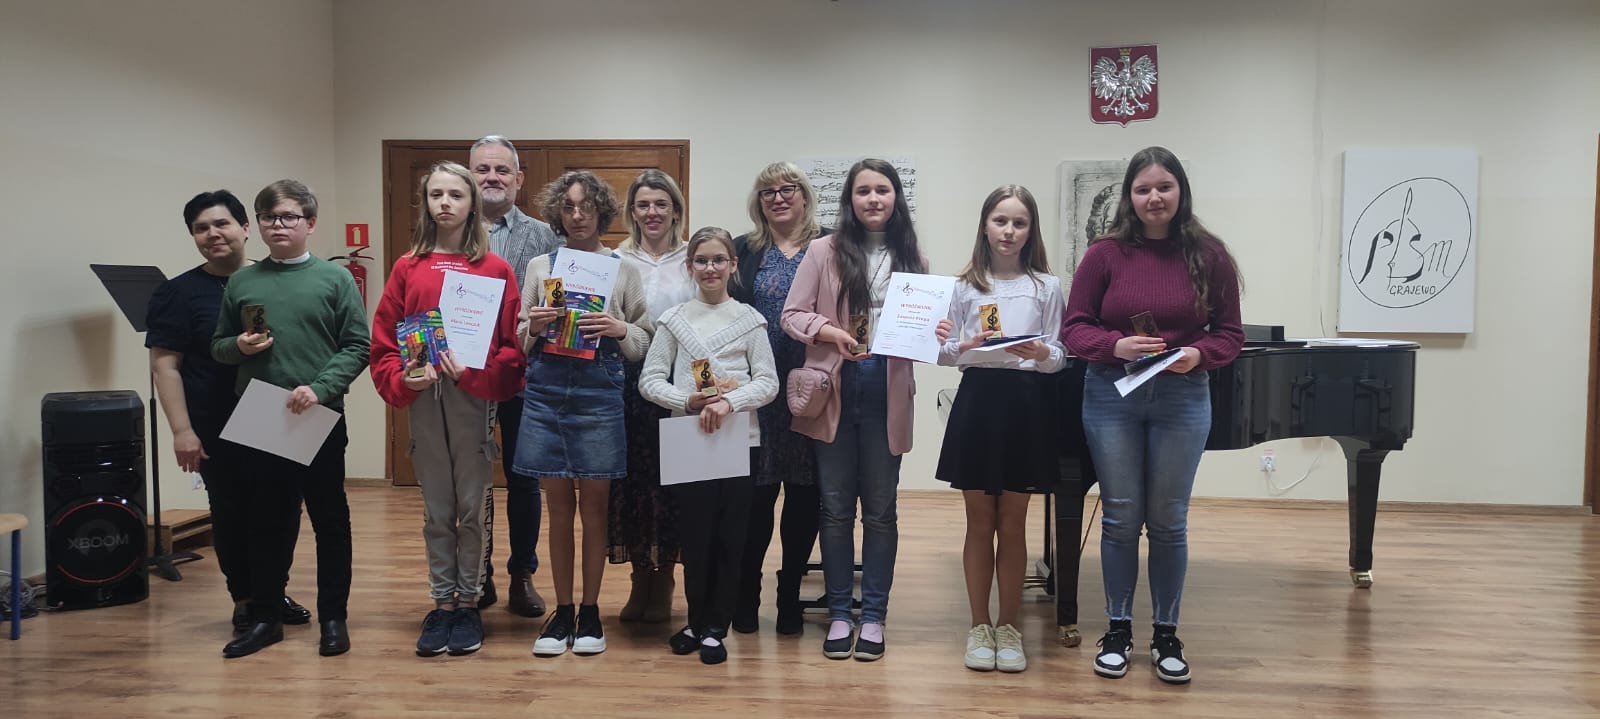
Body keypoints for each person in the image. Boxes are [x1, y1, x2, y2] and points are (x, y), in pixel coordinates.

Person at [1061, 146, 1244, 684]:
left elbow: (1230, 334)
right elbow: (1074, 328)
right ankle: (1117, 629)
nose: (1154, 197)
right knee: (1120, 517)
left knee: (1168, 521)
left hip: (1182, 397)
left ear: (1181, 191)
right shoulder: (1104, 254)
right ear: (1130, 197)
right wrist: (1114, 346)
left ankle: (1166, 634)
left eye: (1164, 187)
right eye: (1143, 189)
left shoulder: (1210, 255)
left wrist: (1199, 355)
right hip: (1111, 395)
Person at [781, 158, 943, 661]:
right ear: (849, 199)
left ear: (896, 198)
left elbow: (923, 330)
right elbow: (792, 315)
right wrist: (831, 332)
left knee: (880, 511)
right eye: (864, 190)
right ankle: (839, 613)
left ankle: (872, 616)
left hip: (886, 388)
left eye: (882, 190)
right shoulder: (823, 250)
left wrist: (936, 331)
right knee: (833, 509)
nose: (873, 199)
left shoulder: (912, 256)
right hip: (834, 385)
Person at [211, 180, 371, 658]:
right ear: (257, 225)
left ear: (310, 223)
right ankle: (266, 618)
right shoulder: (242, 282)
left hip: (319, 413)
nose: (278, 225)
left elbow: (357, 346)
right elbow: (218, 346)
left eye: (288, 217)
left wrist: (320, 388)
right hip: (261, 414)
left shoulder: (335, 279)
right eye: (268, 217)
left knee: (329, 519)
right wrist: (238, 347)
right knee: (265, 521)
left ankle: (333, 618)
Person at [370, 162, 524, 656]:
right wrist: (404, 377)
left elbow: (511, 351)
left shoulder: (494, 270)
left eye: (455, 194)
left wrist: (473, 374)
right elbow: (384, 343)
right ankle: (442, 603)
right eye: (436, 194)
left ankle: (470, 602)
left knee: (472, 507)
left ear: (472, 204)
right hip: (424, 398)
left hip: (472, 401)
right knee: (437, 509)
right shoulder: (407, 267)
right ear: (425, 203)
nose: (445, 203)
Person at [146, 190, 310, 636]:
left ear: (244, 228)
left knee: (283, 511)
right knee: (232, 513)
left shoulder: (276, 277)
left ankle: (272, 592)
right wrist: (182, 431)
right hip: (215, 420)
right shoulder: (178, 293)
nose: (212, 234)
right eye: (201, 228)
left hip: (277, 413)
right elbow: (165, 366)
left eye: (221, 224)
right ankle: (245, 598)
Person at [516, 170, 652, 657]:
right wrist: (534, 326)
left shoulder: (623, 269)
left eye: (587, 206)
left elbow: (644, 340)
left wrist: (619, 328)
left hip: (599, 392)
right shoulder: (539, 266)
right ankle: (562, 611)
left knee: (594, 510)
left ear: (602, 212)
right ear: (558, 213)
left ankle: (591, 611)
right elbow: (519, 339)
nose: (578, 216)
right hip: (547, 392)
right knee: (558, 511)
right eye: (569, 207)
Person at [934, 185, 1067, 673]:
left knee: (1013, 521)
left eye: (1019, 223)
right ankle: (979, 626)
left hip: (1026, 405)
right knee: (978, 521)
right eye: (1000, 221)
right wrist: (963, 344)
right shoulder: (963, 286)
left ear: (1031, 231)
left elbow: (1060, 356)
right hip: (978, 403)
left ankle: (1008, 627)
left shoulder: (1046, 286)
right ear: (985, 226)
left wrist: (1043, 352)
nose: (1009, 231)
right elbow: (944, 355)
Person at [639, 226, 779, 664]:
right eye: (702, 260)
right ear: (690, 267)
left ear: (733, 265)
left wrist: (729, 402)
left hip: (739, 440)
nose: (710, 268)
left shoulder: (750, 320)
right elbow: (650, 380)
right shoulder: (674, 320)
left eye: (719, 259)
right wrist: (687, 400)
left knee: (730, 534)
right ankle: (696, 621)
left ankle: (718, 626)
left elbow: (768, 382)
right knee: (695, 536)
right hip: (688, 439)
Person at [729, 162, 828, 635]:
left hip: (814, 388)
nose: (778, 197)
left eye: (788, 189)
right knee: (755, 499)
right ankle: (746, 593)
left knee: (805, 498)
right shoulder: (743, 249)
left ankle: (790, 594)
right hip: (758, 391)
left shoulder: (828, 246)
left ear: (804, 195)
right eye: (768, 192)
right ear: (758, 202)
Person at [469, 135, 560, 617]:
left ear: (518, 179)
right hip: (464, 376)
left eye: (502, 170)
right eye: (482, 169)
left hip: (528, 376)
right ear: (469, 176)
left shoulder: (546, 237)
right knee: (471, 479)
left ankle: (521, 574)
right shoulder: (448, 232)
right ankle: (475, 573)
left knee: (524, 479)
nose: (492, 177)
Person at [612, 170, 695, 623]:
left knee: (673, 483)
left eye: (661, 203)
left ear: (676, 209)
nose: (652, 212)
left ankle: (665, 578)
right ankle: (640, 574)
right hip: (629, 383)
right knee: (635, 485)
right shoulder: (616, 260)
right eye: (643, 204)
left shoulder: (693, 257)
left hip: (680, 385)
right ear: (632, 211)